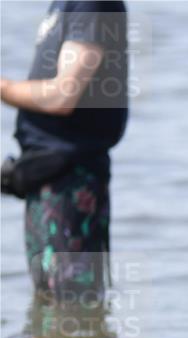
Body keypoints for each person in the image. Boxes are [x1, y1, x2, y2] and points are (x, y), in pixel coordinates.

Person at [1, 1, 128, 299]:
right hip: (46, 174)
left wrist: (3, 87)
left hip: (71, 179)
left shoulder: (92, 2)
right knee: (50, 307)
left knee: (70, 309)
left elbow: (63, 95)